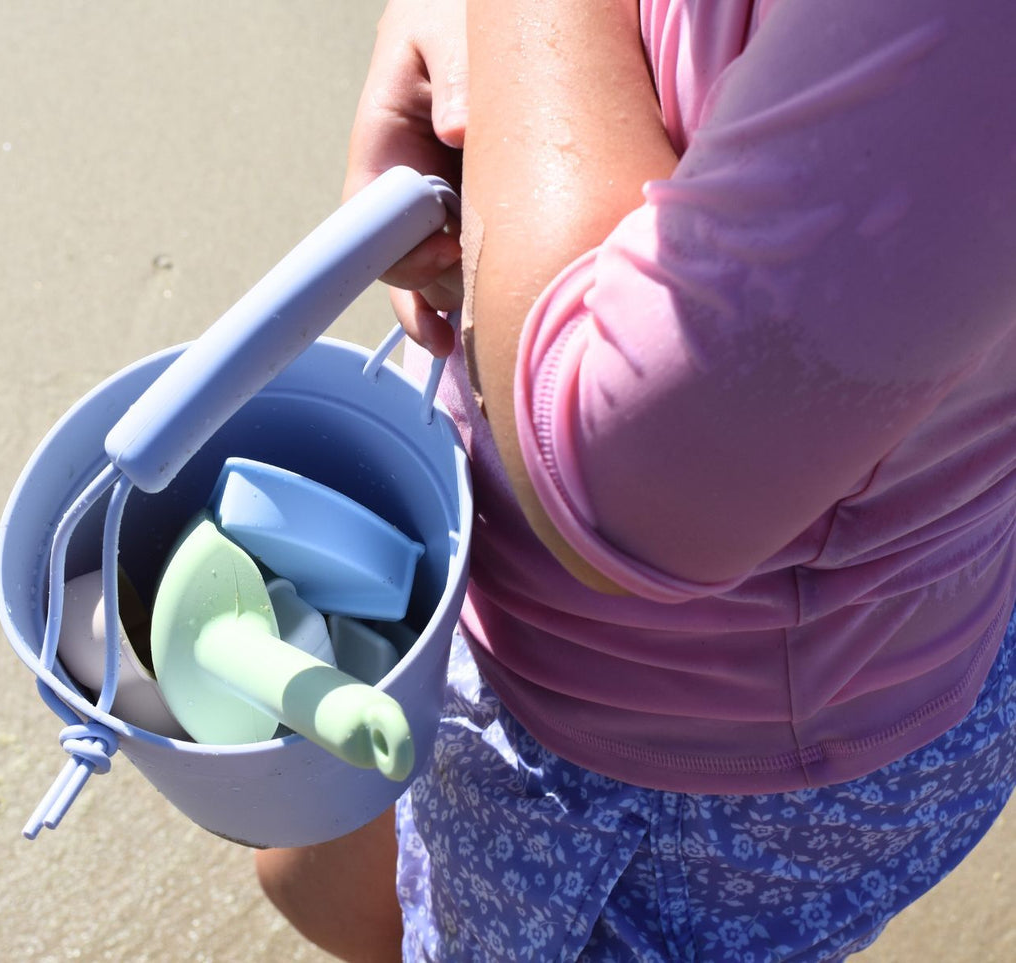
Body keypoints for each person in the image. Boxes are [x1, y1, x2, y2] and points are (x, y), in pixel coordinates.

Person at [255, 0, 1016, 960]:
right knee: (312, 881)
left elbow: (623, 467)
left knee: (364, 911)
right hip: (496, 600)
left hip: (680, 784)